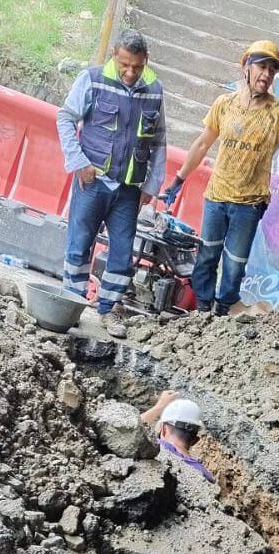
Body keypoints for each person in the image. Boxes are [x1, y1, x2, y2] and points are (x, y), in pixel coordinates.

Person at [159, 40, 279, 316]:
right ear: (246, 67)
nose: (266, 74)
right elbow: (202, 144)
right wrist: (179, 179)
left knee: (234, 263)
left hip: (249, 204)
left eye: (272, 70)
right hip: (217, 197)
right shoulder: (225, 104)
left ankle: (222, 311)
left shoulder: (278, 112)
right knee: (207, 255)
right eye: (262, 67)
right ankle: (202, 310)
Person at [57, 30, 168, 340]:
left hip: (128, 190)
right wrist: (79, 163)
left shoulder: (154, 90)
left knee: (121, 252)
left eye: (137, 66)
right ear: (114, 57)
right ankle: (72, 303)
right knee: (79, 244)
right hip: (92, 182)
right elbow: (65, 118)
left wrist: (151, 185)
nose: (130, 73)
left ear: (146, 60)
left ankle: (109, 309)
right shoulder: (92, 80)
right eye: (124, 65)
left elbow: (159, 141)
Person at [141, 391, 215, 483]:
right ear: (195, 441)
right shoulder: (204, 475)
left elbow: (130, 431)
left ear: (164, 429)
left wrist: (159, 406)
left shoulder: (154, 450)